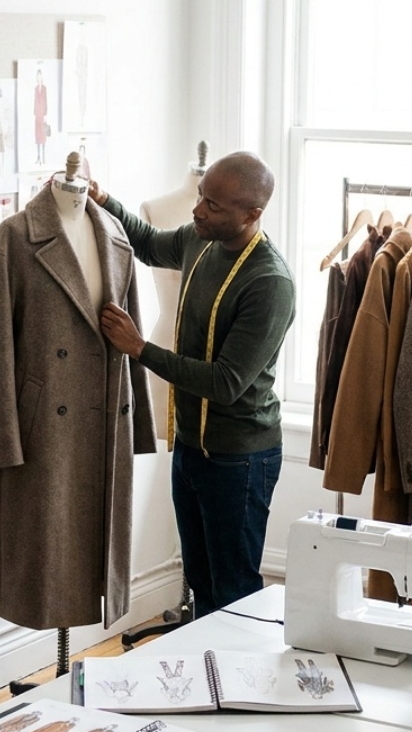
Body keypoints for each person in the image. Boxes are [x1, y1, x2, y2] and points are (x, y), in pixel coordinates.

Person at [92, 151, 295, 617]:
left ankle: (236, 687)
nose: (198, 210)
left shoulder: (270, 282)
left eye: (214, 206)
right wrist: (104, 199)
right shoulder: (198, 240)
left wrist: (139, 349)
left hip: (240, 459)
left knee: (232, 594)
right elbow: (145, 243)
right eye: (201, 198)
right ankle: (203, 685)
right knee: (202, 587)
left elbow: (226, 383)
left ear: (252, 214)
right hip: (191, 449)